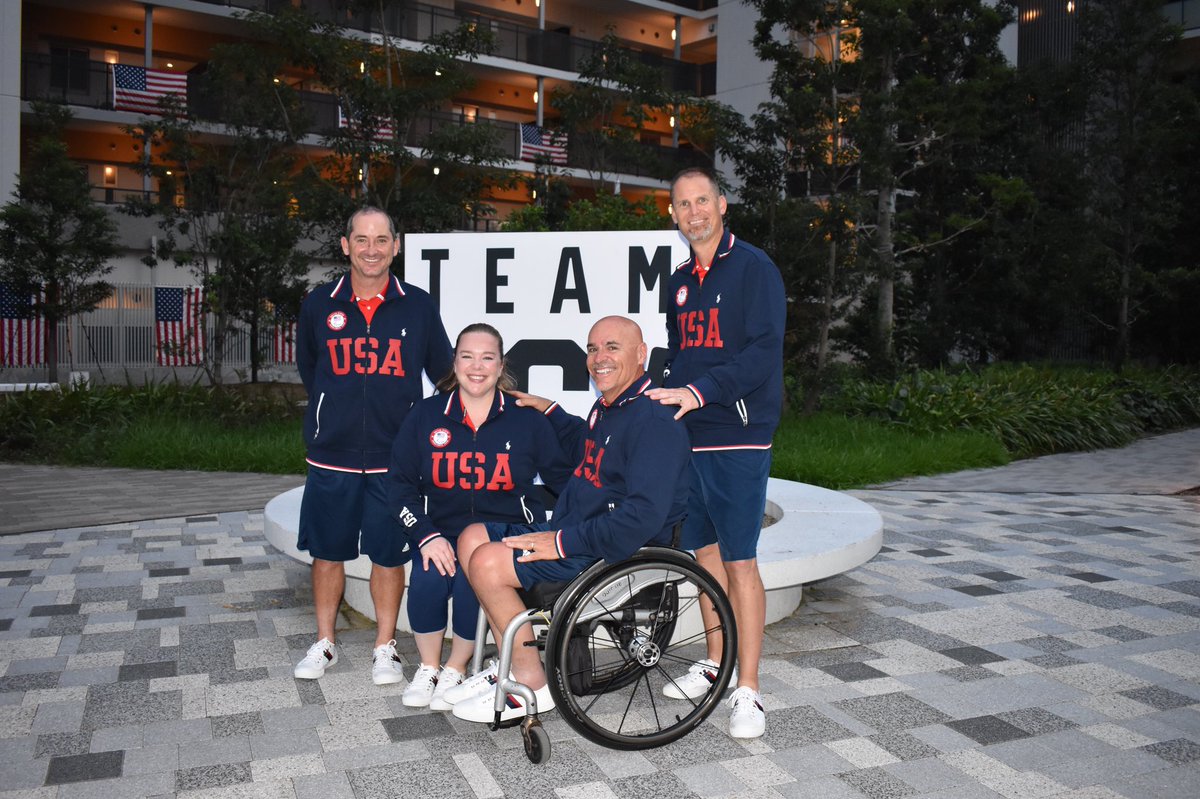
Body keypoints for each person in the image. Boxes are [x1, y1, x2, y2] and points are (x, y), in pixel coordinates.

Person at [444, 316, 692, 724]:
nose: (599, 358)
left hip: (612, 550)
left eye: (612, 347)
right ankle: (510, 665)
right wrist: (553, 411)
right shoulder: (613, 406)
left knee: (487, 562)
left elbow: (642, 516)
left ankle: (533, 686)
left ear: (641, 353)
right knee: (472, 537)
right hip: (579, 530)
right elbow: (591, 447)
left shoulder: (654, 421)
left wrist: (560, 543)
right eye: (593, 349)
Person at [645, 166, 786, 739]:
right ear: (672, 214)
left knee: (739, 561)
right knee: (704, 558)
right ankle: (716, 662)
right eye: (683, 204)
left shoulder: (754, 268)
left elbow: (762, 354)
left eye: (703, 200)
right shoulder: (678, 280)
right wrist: (654, 388)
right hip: (691, 437)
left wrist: (700, 391)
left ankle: (748, 688)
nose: (694, 211)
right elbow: (681, 353)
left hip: (739, 435)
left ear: (722, 204)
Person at [293, 205, 453, 686]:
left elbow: (443, 373)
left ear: (396, 246)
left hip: (393, 458)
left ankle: (386, 647)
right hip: (331, 454)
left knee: (388, 553)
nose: (371, 249)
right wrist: (333, 411)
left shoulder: (419, 306)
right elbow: (310, 370)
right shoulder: (319, 304)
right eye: (361, 240)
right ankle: (325, 641)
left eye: (381, 240)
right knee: (327, 551)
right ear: (345, 246)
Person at [386, 322, 574, 710]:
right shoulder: (426, 415)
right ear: (454, 362)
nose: (477, 366)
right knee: (428, 577)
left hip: (502, 534)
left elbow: (565, 481)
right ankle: (430, 667)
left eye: (487, 357)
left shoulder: (526, 420)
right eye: (467, 356)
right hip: (440, 532)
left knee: (474, 576)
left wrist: (584, 527)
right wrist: (424, 535)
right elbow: (398, 486)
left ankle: (458, 667)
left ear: (501, 365)